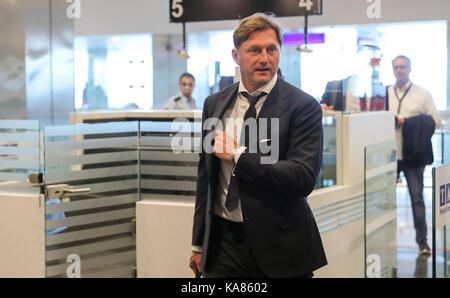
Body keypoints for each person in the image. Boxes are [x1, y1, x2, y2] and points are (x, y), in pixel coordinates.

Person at [189, 12, 327, 278]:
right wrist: (198, 243)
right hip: (223, 242)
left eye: (271, 49)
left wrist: (239, 155)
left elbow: (302, 177)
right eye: (254, 50)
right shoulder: (215, 104)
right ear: (236, 55)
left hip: (280, 245)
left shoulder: (302, 106)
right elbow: (206, 176)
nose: (264, 58)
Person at [388, 55, 441, 255]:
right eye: (395, 67)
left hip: (413, 156)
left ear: (409, 69)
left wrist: (406, 122)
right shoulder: (385, 93)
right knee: (383, 199)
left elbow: (434, 121)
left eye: (402, 67)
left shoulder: (422, 94)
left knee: (417, 198)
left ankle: (422, 242)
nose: (399, 71)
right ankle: (384, 237)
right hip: (388, 154)